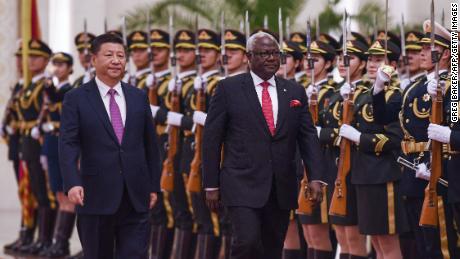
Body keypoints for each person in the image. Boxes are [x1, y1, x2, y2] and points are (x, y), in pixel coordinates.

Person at [202, 31, 324, 259]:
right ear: (249, 56)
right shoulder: (228, 89)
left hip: (281, 185)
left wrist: (315, 177)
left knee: (272, 248)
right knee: (247, 242)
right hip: (241, 182)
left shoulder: (294, 91)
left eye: (275, 54)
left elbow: (307, 136)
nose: (271, 58)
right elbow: (211, 139)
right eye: (264, 53)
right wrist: (210, 184)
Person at [59, 33, 161, 259]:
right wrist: (72, 183)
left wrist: (154, 185)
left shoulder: (138, 97)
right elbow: (68, 144)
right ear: (93, 59)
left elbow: (150, 146)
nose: (116, 60)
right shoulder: (76, 98)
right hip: (94, 196)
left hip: (135, 195)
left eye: (121, 56)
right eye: (109, 55)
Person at [16, 39, 57, 256]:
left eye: (36, 57)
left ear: (46, 60)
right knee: (35, 191)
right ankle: (39, 238)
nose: (30, 60)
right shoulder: (29, 85)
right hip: (27, 141)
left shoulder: (46, 84)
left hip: (41, 140)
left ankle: (47, 239)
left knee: (46, 192)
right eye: (29, 56)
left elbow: (50, 110)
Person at [39, 52, 75, 258]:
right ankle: (57, 241)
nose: (58, 68)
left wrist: (47, 82)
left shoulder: (69, 90)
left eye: (62, 65)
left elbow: (56, 100)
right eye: (56, 64)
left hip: (64, 144)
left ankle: (62, 243)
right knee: (58, 194)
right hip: (52, 143)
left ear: (70, 69)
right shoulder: (55, 90)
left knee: (66, 194)